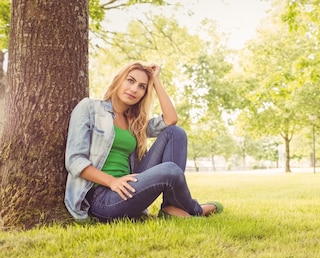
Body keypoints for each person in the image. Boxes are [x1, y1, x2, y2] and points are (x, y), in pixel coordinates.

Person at [64, 61, 223, 222]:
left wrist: (156, 81)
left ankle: (172, 206)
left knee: (176, 133)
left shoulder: (135, 121)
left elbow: (171, 120)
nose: (134, 89)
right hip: (102, 199)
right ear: (119, 79)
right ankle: (195, 209)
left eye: (142, 86)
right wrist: (112, 181)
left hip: (131, 188)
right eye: (130, 80)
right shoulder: (90, 108)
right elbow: (74, 160)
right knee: (171, 170)